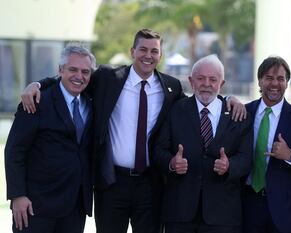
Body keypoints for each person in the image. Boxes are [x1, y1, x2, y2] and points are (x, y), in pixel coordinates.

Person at [20, 29, 246, 233]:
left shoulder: (171, 87)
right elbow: (76, 76)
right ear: (132, 51)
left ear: (160, 55)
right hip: (112, 183)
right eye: (143, 49)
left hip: (150, 184)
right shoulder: (109, 77)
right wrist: (39, 84)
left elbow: (201, 99)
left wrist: (229, 100)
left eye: (154, 51)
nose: (148, 55)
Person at [153, 54, 253, 233]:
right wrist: (171, 163)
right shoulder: (175, 110)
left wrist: (230, 166)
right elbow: (158, 150)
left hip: (223, 216)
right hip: (179, 213)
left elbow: (246, 159)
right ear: (191, 81)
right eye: (200, 78)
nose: (206, 84)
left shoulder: (238, 116)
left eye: (213, 79)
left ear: (221, 84)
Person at [5, 44, 96, 233]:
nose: (79, 76)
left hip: (75, 206)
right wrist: (18, 195)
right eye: (72, 69)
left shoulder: (91, 100)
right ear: (60, 70)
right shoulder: (37, 101)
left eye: (85, 71)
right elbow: (15, 150)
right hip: (36, 206)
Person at [243, 56, 291, 233]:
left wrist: (290, 155)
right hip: (247, 208)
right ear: (260, 81)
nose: (274, 84)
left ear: (287, 82)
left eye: (280, 78)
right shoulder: (244, 113)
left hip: (286, 214)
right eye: (269, 78)